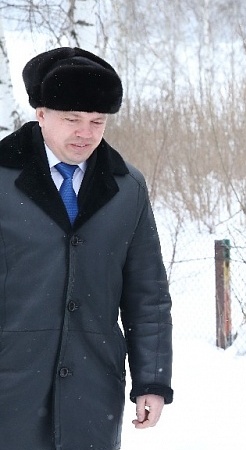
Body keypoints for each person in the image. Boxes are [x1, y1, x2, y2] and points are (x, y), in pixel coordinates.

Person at [0, 47, 173, 449]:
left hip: (93, 390)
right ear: (41, 114)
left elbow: (147, 294)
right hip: (10, 387)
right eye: (72, 119)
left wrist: (152, 379)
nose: (85, 132)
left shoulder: (127, 187)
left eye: (97, 121)